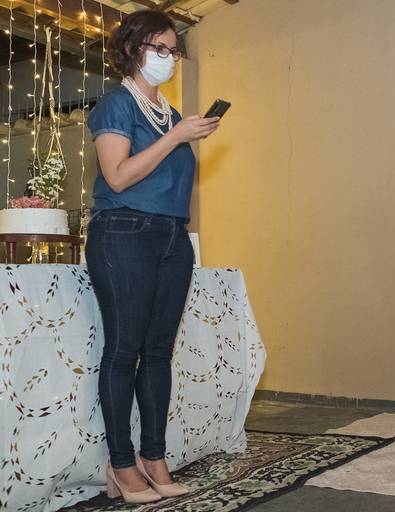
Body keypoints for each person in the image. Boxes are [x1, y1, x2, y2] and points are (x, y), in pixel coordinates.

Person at [85, 10, 220, 503]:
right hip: (123, 232)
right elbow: (118, 176)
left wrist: (178, 133)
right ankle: (121, 464)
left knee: (159, 353)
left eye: (172, 50)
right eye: (158, 48)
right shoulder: (116, 104)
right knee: (124, 351)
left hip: (171, 237)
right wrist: (175, 138)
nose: (168, 58)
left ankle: (154, 458)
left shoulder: (170, 115)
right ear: (132, 48)